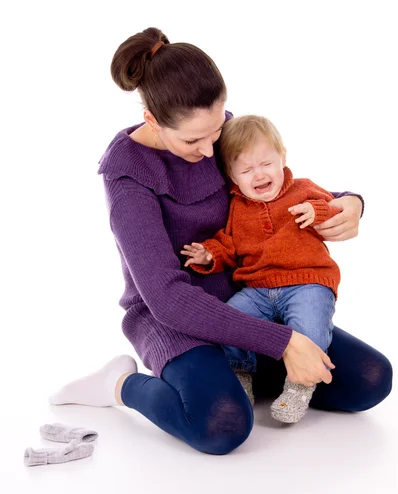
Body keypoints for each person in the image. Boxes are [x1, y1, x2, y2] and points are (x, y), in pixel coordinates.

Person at [49, 27, 392, 455]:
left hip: (250, 299)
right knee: (222, 426)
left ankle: (240, 374)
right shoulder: (128, 177)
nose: (212, 151)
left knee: (371, 379)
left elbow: (280, 189)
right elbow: (168, 300)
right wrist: (284, 343)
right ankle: (119, 385)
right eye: (194, 140)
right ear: (153, 121)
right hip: (172, 319)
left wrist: (351, 203)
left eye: (217, 130)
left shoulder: (218, 131)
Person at [182, 115, 342, 423]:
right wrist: (208, 255)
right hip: (257, 289)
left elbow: (335, 207)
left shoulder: (303, 190)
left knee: (310, 325)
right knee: (230, 319)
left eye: (267, 164)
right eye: (246, 169)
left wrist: (317, 210)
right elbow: (227, 245)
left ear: (282, 156)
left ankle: (299, 386)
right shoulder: (237, 208)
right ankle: (241, 375)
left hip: (307, 282)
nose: (259, 175)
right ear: (232, 175)